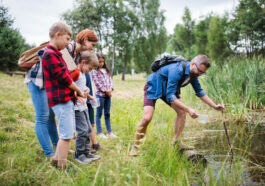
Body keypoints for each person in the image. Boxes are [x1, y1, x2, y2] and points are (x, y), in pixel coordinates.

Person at [129, 55, 225, 156]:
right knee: (147, 118)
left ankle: (177, 142)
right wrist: (189, 109)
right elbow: (171, 96)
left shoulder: (193, 74)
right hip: (154, 86)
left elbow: (199, 92)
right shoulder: (177, 69)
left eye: (203, 73)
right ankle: (135, 146)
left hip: (169, 90)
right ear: (193, 64)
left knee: (181, 112)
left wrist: (214, 106)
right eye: (200, 71)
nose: (200, 74)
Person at [42, 21, 85, 169]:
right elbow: (65, 77)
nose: (68, 43)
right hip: (60, 100)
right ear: (58, 35)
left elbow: (67, 74)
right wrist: (78, 90)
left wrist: (75, 91)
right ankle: (62, 167)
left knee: (67, 133)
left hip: (65, 98)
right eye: (67, 39)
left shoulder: (57, 53)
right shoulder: (50, 54)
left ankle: (56, 160)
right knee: (66, 135)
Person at [25, 53, 59, 160]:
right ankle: (49, 154)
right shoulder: (67, 48)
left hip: (49, 82)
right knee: (42, 116)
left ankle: (57, 146)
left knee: (50, 116)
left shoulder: (72, 51)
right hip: (37, 80)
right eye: (92, 44)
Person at [73, 51, 101, 164]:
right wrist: (76, 95)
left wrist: (90, 96)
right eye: (89, 69)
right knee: (82, 130)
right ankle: (79, 154)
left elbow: (81, 87)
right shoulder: (76, 72)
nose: (89, 71)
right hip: (76, 108)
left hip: (83, 106)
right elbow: (69, 85)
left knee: (88, 129)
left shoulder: (83, 74)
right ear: (83, 62)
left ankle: (85, 151)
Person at [92, 53, 117, 138]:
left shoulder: (106, 70)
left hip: (108, 96)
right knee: (99, 114)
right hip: (100, 96)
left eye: (102, 62)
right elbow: (97, 83)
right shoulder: (94, 71)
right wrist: (105, 90)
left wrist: (111, 89)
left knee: (107, 113)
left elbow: (110, 80)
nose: (101, 63)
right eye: (99, 62)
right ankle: (99, 132)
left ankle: (109, 132)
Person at [85, 72, 103, 151]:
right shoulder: (80, 72)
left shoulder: (87, 73)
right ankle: (85, 145)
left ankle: (94, 143)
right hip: (83, 101)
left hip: (90, 101)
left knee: (92, 123)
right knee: (84, 125)